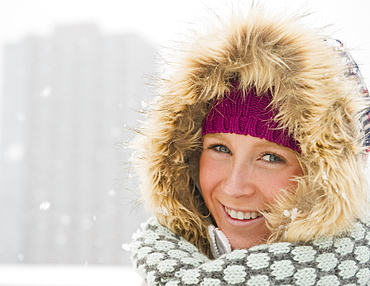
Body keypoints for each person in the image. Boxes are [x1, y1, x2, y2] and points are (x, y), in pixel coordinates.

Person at [130, 4, 370, 286]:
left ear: (325, 179)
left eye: (270, 157)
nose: (234, 187)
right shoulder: (165, 262)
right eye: (221, 149)